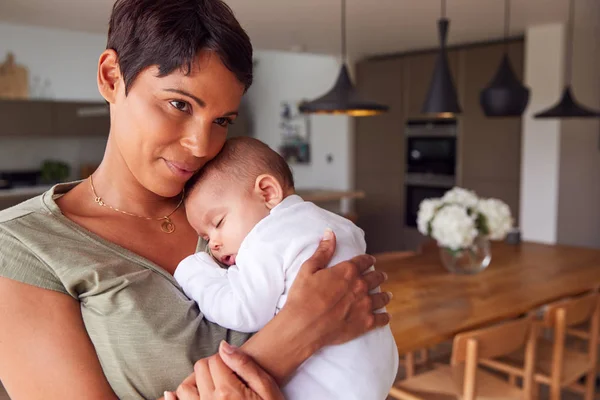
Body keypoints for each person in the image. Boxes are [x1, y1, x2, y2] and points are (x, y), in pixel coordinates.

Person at [0, 1, 393, 399]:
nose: (200, 145)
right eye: (179, 104)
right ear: (111, 77)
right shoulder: (27, 246)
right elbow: (321, 315)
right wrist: (301, 330)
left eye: (222, 121)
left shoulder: (232, 208)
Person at [173, 137, 399, 400]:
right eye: (206, 236)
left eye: (218, 222)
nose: (214, 244)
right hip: (378, 369)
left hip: (329, 384)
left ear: (267, 192)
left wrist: (193, 272)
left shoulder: (267, 237)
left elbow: (242, 310)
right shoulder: (333, 222)